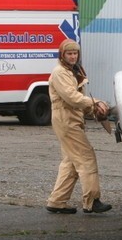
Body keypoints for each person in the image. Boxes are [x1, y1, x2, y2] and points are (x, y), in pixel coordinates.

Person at [45, 39, 112, 215]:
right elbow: (72, 97)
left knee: (71, 162)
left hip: (70, 118)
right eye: (69, 53)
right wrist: (94, 102)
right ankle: (92, 201)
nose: (73, 56)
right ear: (62, 55)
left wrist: (93, 110)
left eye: (75, 53)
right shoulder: (60, 72)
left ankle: (57, 201)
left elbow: (77, 99)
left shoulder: (72, 70)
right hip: (66, 120)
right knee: (86, 156)